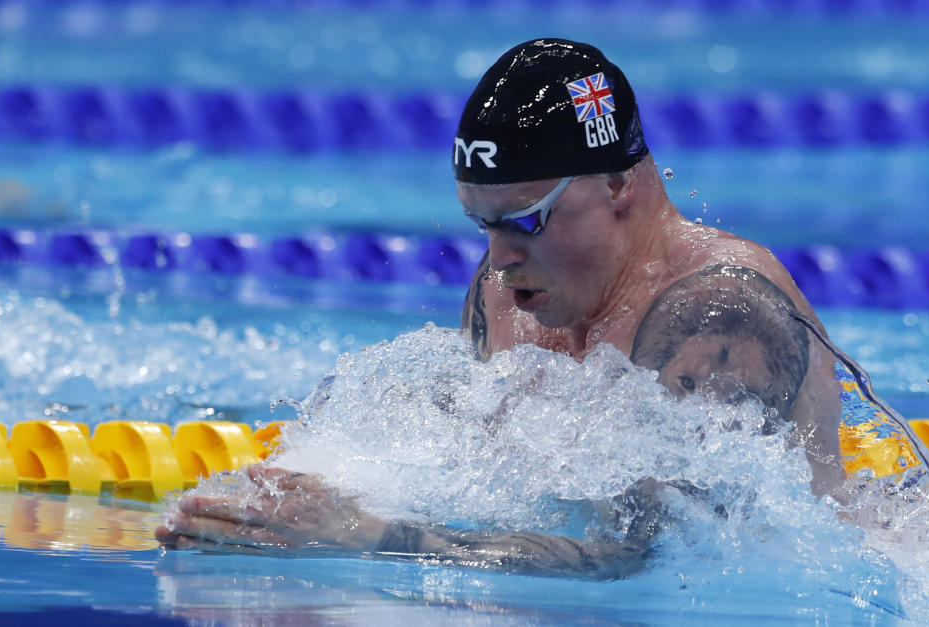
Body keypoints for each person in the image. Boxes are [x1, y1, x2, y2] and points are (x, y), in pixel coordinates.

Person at [156, 38, 848, 574]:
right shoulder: (507, 289)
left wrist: (367, 535)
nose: (498, 256)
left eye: (525, 220)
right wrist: (288, 511)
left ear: (616, 185)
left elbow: (649, 559)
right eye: (481, 225)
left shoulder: (720, 314)